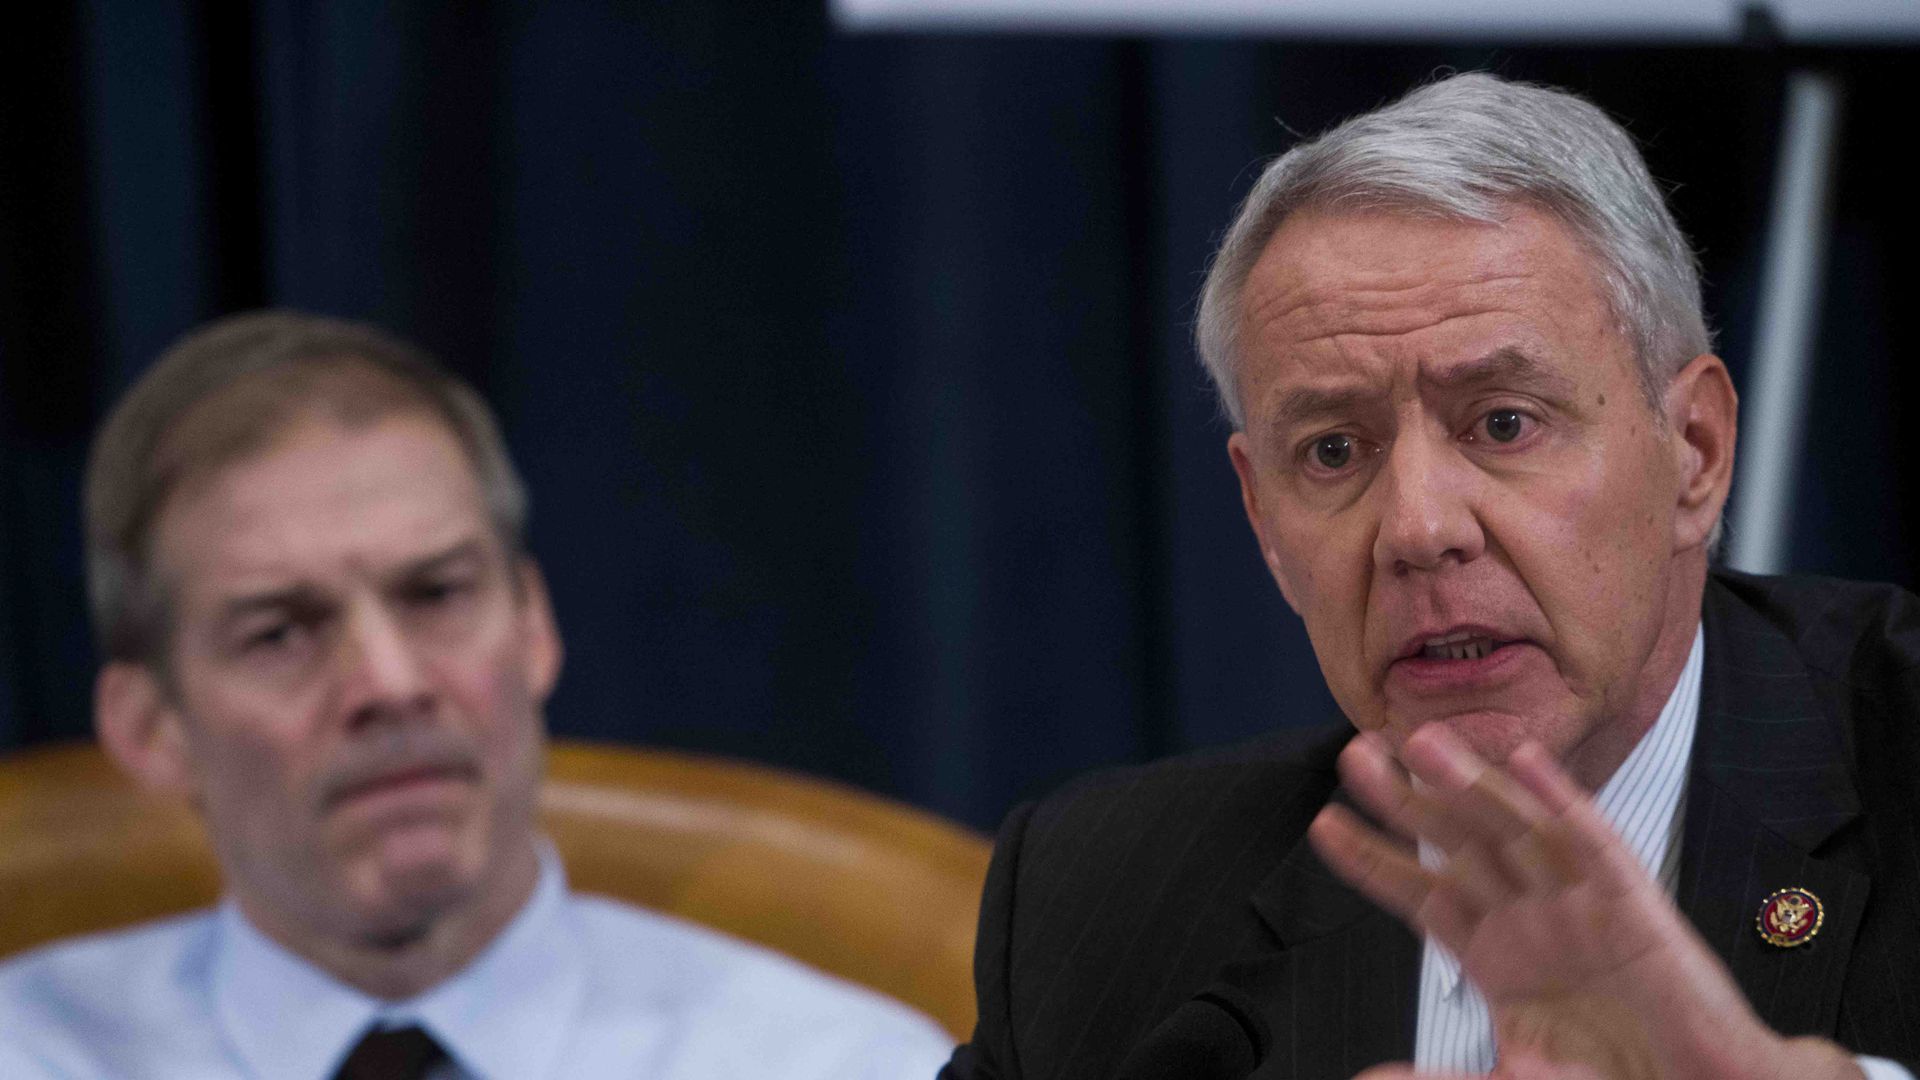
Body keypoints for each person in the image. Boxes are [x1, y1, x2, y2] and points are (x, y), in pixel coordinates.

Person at [942, 73, 1919, 1080]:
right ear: (1264, 521)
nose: (1416, 528)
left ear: (1696, 451)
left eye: (1504, 423)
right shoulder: (1101, 901)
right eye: (1332, 452)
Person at [0, 311, 955, 1078]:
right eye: (280, 632)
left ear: (534, 626)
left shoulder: (838, 1064)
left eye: (438, 594)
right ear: (150, 728)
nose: (392, 684)